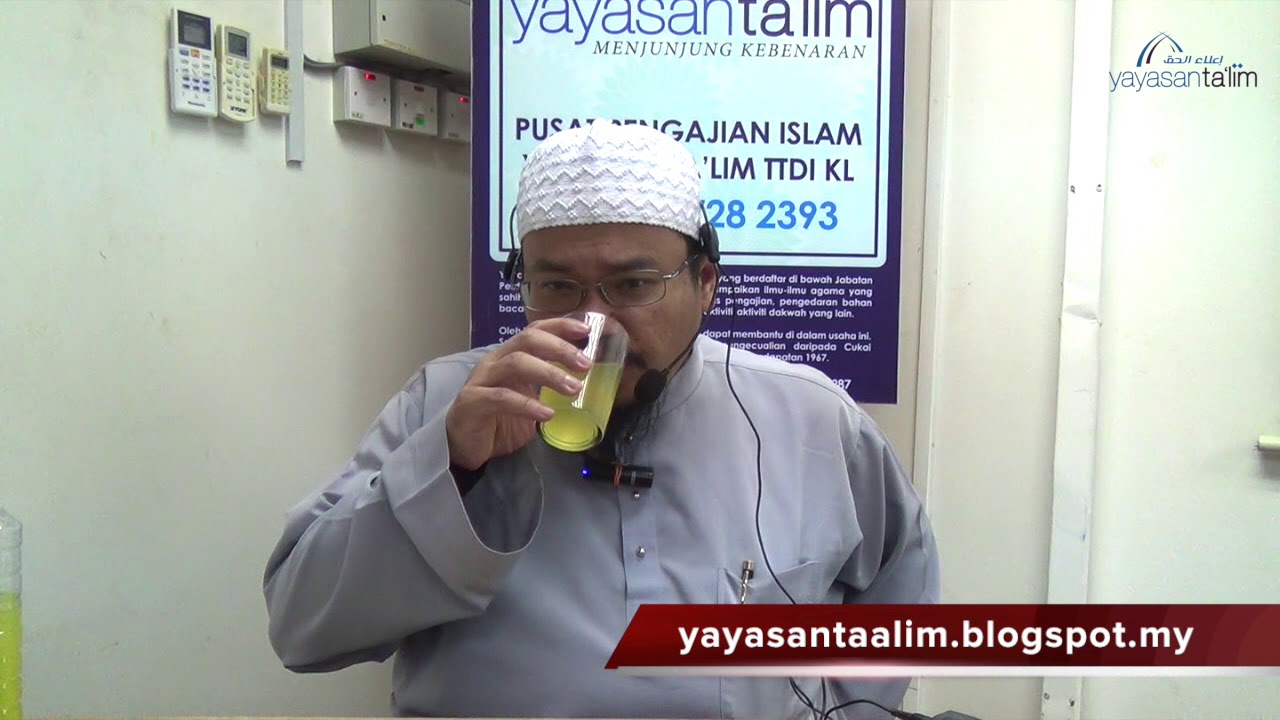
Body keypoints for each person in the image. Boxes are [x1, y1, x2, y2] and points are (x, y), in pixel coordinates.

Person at [262, 120, 940, 719]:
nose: (594, 321)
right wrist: (452, 469)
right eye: (557, 285)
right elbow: (301, 625)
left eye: (634, 285)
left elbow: (899, 589)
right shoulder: (446, 402)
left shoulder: (807, 418)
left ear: (705, 282)